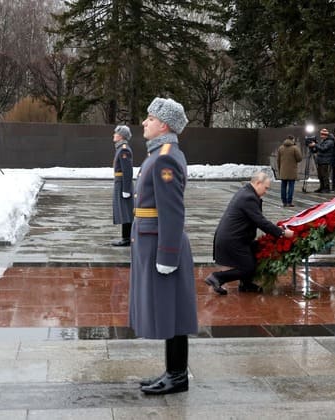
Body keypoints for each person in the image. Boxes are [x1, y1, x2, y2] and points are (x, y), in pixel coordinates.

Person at [128, 97, 197, 395]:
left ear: (164, 124)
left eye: (150, 118)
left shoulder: (165, 157)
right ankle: (173, 372)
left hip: (160, 243)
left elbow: (172, 210)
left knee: (174, 310)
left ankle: (178, 375)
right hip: (150, 239)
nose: (144, 123)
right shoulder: (158, 154)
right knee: (171, 309)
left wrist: (167, 254)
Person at [205, 171, 294, 295]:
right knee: (247, 268)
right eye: (265, 188)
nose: (266, 192)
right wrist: (282, 233)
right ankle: (217, 277)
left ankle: (246, 284)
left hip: (237, 238)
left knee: (255, 253)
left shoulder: (246, 192)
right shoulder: (249, 197)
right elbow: (261, 222)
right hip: (233, 240)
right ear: (258, 183)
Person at [111, 125, 134, 246]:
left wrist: (126, 189)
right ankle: (126, 237)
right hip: (120, 183)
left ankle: (127, 238)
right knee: (124, 210)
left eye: (116, 133)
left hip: (123, 184)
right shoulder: (120, 148)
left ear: (121, 136)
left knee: (126, 211)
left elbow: (127, 171)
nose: (113, 135)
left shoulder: (123, 149)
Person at [277, 135, 302, 207]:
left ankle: (284, 202)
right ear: (293, 140)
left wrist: (280, 169)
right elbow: (299, 158)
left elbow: (278, 160)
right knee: (291, 186)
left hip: (283, 170)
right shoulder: (294, 148)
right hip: (292, 171)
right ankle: (289, 202)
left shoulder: (281, 148)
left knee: (283, 186)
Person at [307, 128, 334, 193]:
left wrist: (315, 145)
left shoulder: (330, 142)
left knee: (324, 175)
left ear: (326, 135)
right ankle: (322, 187)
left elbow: (323, 149)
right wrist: (312, 147)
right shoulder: (323, 141)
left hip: (325, 160)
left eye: (322, 135)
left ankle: (326, 188)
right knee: (320, 175)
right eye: (321, 135)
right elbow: (318, 149)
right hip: (320, 160)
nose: (321, 136)